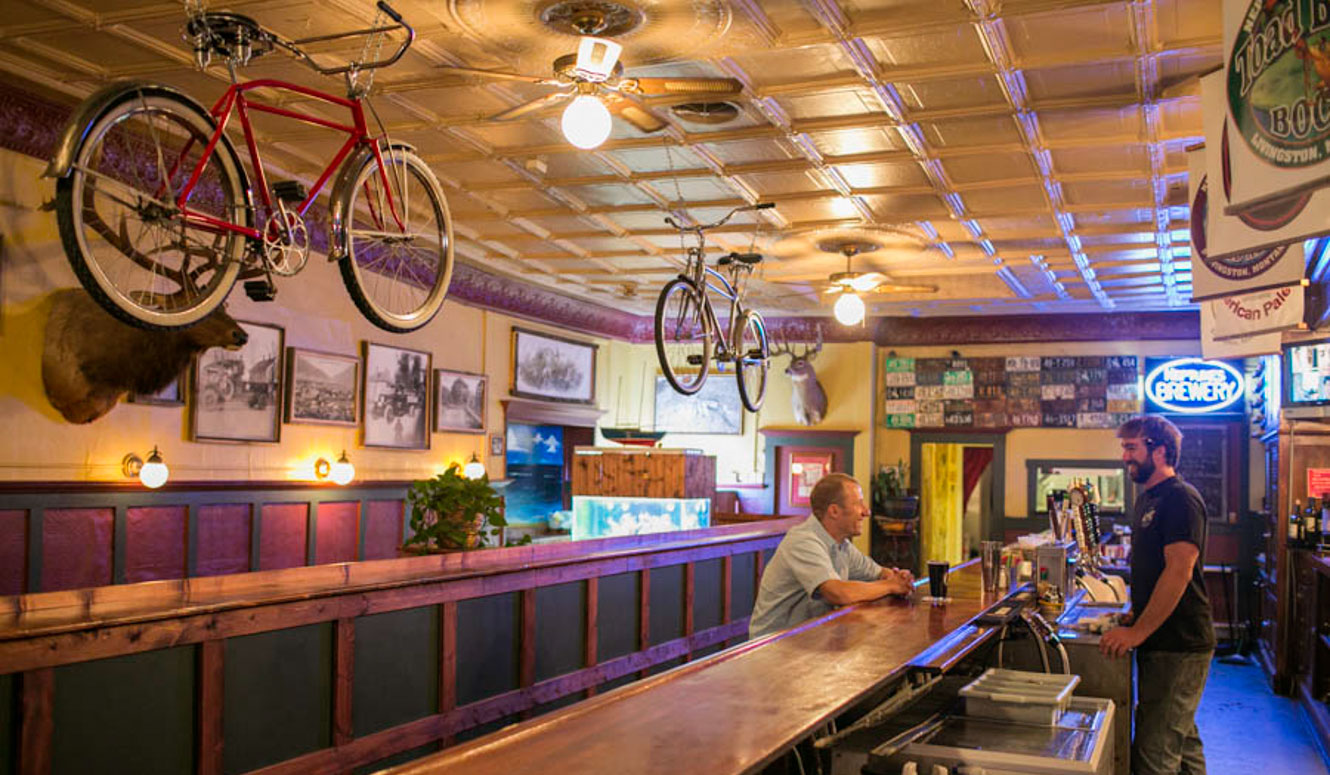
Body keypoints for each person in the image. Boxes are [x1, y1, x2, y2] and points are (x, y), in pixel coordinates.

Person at [1101, 415, 1215, 775]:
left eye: (1131, 448)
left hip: (1180, 643)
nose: (1125, 457)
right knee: (1180, 741)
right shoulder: (1148, 499)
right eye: (1124, 448)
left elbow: (1178, 571)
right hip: (1163, 640)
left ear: (1160, 450)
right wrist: (1138, 613)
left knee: (1155, 755)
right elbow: (1153, 569)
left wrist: (1136, 633)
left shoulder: (1180, 498)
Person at [749, 472, 914, 639]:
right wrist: (891, 585)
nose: (867, 511)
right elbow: (837, 593)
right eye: (859, 504)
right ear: (834, 511)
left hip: (809, 642)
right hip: (771, 649)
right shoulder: (803, 541)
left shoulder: (842, 545)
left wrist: (897, 577)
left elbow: (878, 572)